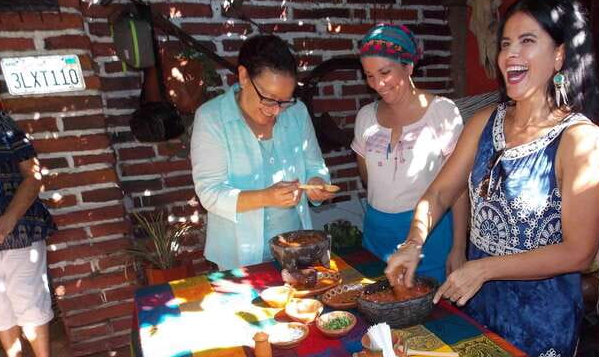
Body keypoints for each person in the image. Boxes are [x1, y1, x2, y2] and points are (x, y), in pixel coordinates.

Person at [386, 0, 599, 357]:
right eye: (506, 44)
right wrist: (413, 242)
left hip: (541, 321)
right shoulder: (485, 123)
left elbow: (579, 252)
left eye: (527, 41)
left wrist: (485, 267)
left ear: (559, 55)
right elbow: (439, 192)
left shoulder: (580, 139)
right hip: (479, 304)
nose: (510, 55)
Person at [191, 35, 332, 270]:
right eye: (269, 98)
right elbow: (210, 193)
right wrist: (266, 197)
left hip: (296, 250)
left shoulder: (296, 112)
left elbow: (315, 165)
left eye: (284, 101)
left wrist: (317, 183)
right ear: (244, 76)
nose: (276, 110)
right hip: (237, 255)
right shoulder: (212, 118)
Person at [353, 24, 466, 283]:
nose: (377, 84)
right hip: (377, 234)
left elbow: (458, 189)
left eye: (385, 72)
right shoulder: (365, 118)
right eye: (369, 75)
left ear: (408, 66)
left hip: (430, 237)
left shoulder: (442, 112)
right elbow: (368, 180)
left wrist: (458, 247)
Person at [0, 110, 69, 357]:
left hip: (19, 224)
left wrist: (8, 219)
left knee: (28, 297)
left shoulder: (1, 124)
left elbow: (33, 176)